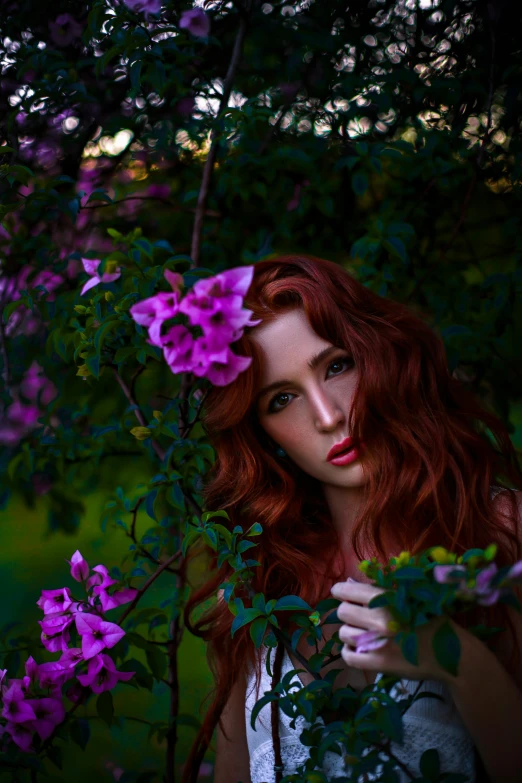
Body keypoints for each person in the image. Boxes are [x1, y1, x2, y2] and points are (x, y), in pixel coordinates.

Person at [181, 255, 522, 783]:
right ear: (261, 432)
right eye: (283, 399)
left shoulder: (495, 528)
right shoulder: (260, 576)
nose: (327, 415)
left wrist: (457, 659)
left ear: (378, 356)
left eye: (337, 365)